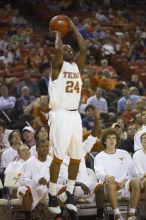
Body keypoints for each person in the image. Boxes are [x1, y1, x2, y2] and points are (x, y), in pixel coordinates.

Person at [48, 15, 86, 214]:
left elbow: (83, 47)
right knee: (58, 157)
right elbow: (57, 50)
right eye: (66, 49)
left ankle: (69, 192)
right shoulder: (56, 68)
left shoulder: (76, 67)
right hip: (60, 114)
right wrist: (58, 33)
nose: (69, 50)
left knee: (77, 158)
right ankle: (52, 194)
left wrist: (72, 25)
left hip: (74, 116)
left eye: (71, 49)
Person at [94, 128, 141, 220]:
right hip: (109, 187)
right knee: (109, 183)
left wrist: (126, 179)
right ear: (104, 141)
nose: (112, 140)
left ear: (117, 141)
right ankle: (117, 215)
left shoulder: (124, 153)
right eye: (109, 138)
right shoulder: (99, 156)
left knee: (136, 181)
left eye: (114, 138)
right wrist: (107, 176)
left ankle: (131, 214)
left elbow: (132, 170)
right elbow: (98, 172)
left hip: (125, 185)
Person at [17, 140, 52, 220]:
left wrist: (52, 183)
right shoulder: (29, 162)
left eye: (46, 146)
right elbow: (24, 180)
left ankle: (59, 217)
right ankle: (28, 217)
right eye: (42, 147)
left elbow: (59, 177)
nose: (45, 149)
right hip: (34, 189)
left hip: (48, 189)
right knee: (24, 190)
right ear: (36, 149)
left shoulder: (52, 161)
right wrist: (38, 181)